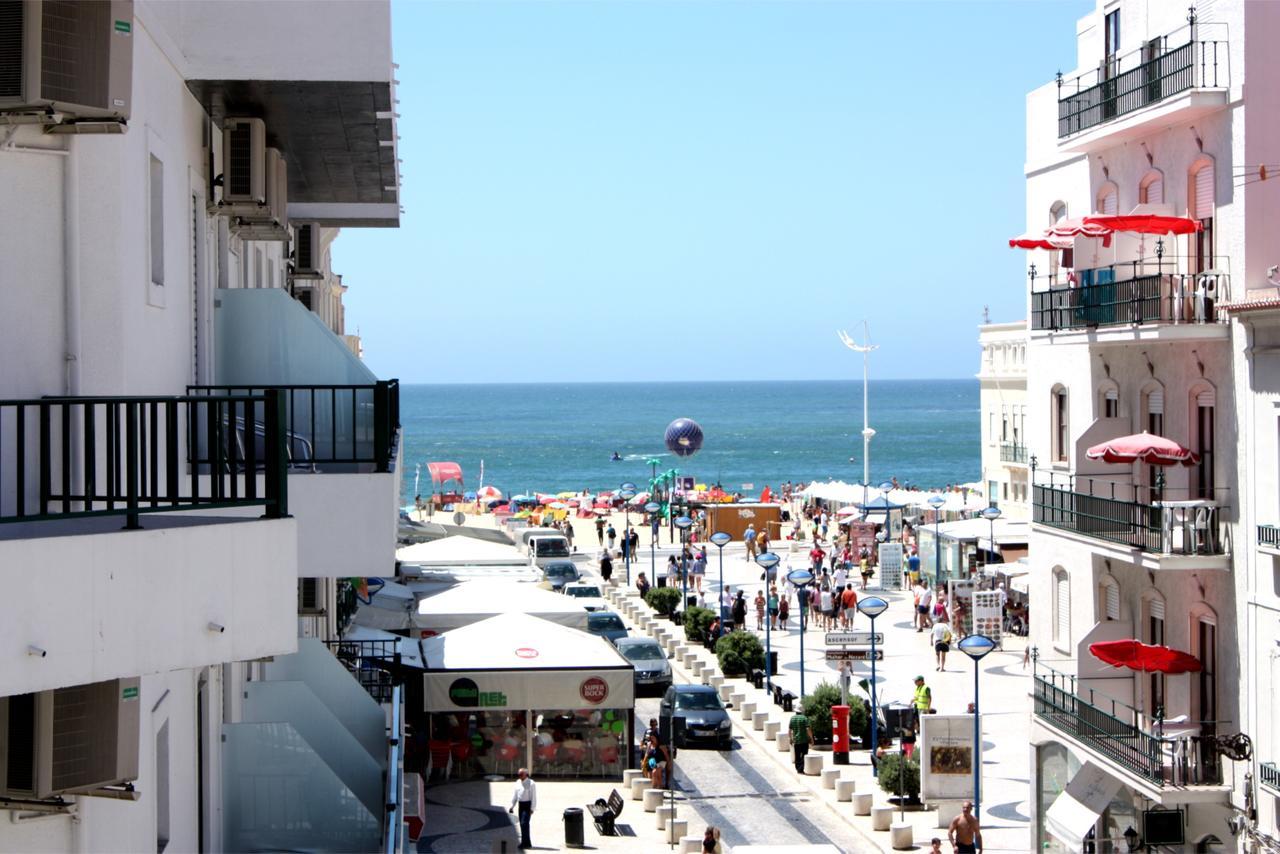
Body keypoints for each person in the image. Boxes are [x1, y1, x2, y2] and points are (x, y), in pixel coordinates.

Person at [508, 767, 537, 849]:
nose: (519, 775)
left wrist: (532, 808)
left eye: (521, 774)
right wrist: (512, 805)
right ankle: (527, 842)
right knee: (522, 824)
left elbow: (534, 797)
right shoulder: (517, 782)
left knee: (524, 823)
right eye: (518, 774)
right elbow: (515, 795)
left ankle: (525, 843)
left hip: (527, 805)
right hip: (521, 805)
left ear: (526, 774)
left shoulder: (531, 783)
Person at [788, 707, 814, 773]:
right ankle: (801, 768)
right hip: (804, 740)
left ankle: (798, 768)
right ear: (802, 711)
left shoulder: (792, 718)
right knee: (804, 755)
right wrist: (811, 738)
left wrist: (790, 738)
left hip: (796, 740)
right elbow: (808, 729)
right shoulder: (804, 718)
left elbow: (789, 730)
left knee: (797, 755)